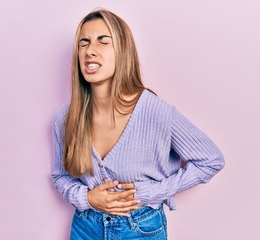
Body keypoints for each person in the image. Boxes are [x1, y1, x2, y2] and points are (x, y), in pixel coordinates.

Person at [51, 9, 225, 240]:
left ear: (122, 51)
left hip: (140, 228)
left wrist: (150, 192)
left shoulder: (155, 111)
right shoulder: (65, 117)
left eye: (103, 42)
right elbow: (60, 177)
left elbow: (211, 160)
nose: (90, 51)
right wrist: (86, 198)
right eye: (84, 43)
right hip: (85, 227)